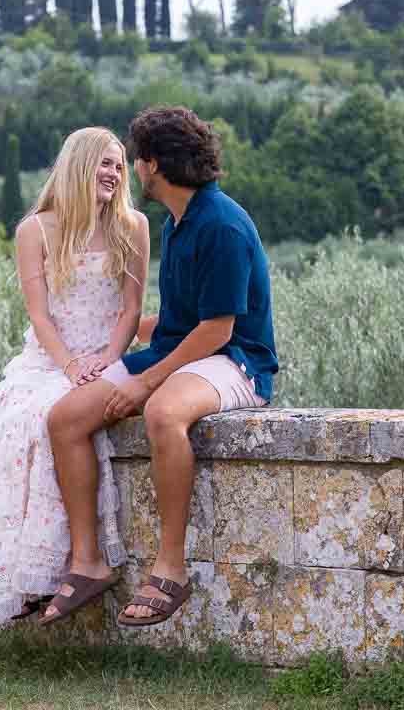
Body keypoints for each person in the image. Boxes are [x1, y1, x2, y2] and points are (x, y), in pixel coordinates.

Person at [42, 106, 278, 627]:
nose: (132, 171)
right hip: (185, 351)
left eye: (135, 160)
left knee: (164, 413)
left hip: (235, 362)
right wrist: (105, 340)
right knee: (65, 418)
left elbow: (216, 330)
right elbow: (176, 321)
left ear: (153, 165)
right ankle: (88, 562)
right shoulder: (179, 221)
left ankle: (170, 568)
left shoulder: (222, 225)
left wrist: (146, 381)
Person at [0, 127, 150, 641]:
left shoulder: (133, 226)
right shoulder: (36, 230)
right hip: (49, 360)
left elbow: (132, 311)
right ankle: (24, 581)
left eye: (119, 165)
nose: (114, 172)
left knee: (59, 420)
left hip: (108, 358)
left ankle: (77, 565)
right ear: (76, 166)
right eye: (103, 163)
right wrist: (69, 365)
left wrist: (106, 360)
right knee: (19, 427)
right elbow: (40, 315)